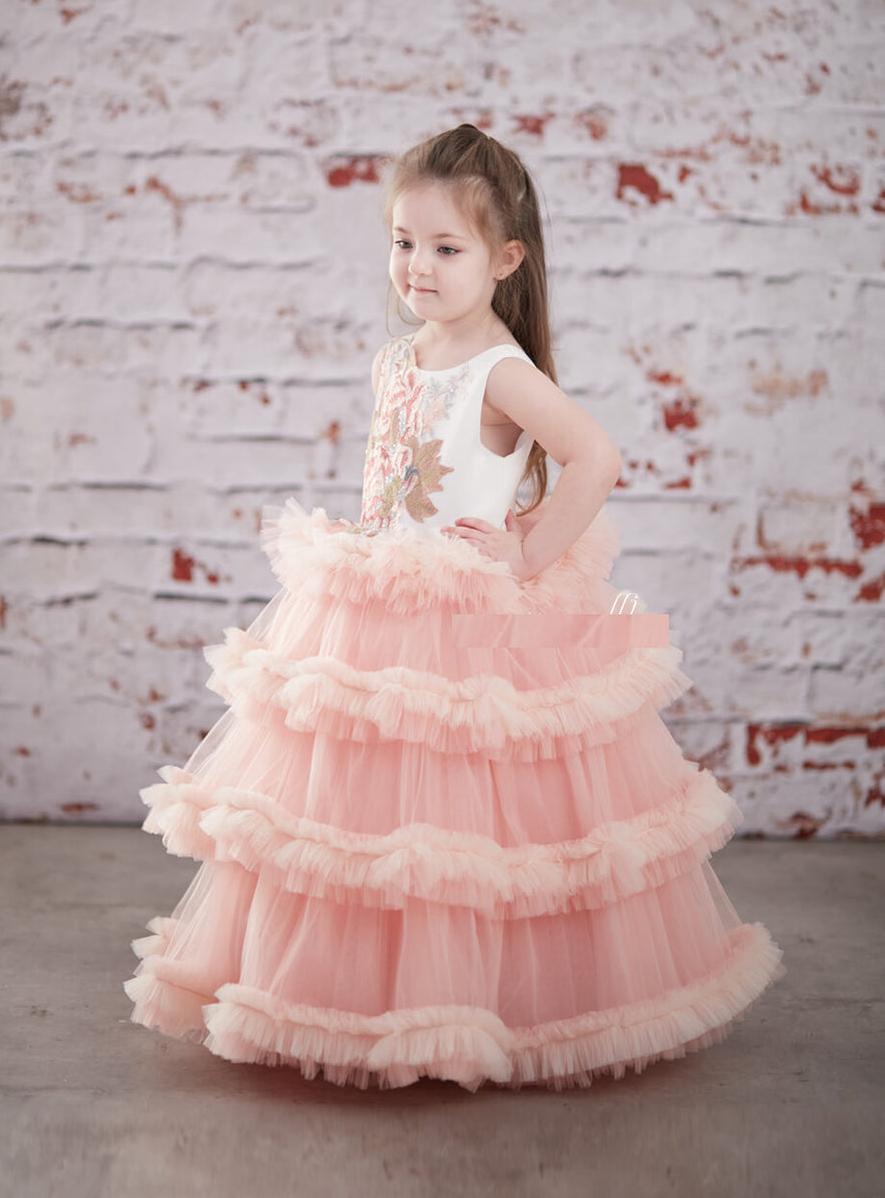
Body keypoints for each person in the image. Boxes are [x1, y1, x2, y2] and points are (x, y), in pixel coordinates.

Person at [124, 123, 785, 1092]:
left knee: (456, 832)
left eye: (446, 247)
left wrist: (528, 552)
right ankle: (346, 989)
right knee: (354, 823)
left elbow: (595, 457)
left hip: (464, 625)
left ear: (504, 259)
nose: (418, 267)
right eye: (404, 242)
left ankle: (466, 999)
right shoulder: (400, 357)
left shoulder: (500, 371)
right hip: (376, 610)